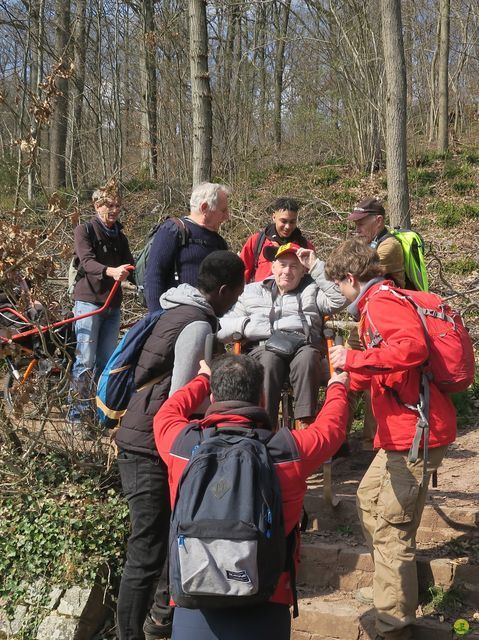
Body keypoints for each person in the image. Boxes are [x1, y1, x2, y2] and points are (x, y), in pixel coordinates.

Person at [153, 352, 349, 640]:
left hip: (193, 599)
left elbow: (166, 412)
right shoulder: (287, 450)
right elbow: (332, 428)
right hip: (267, 599)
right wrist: (337, 385)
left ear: (213, 396)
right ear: (262, 397)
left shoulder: (182, 445)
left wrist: (201, 379)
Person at [326, 238, 456, 640]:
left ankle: (394, 625)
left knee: (391, 530)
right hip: (403, 431)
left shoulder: (381, 303)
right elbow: (392, 365)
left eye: (339, 286)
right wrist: (352, 377)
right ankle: (395, 583)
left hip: (415, 432)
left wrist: (353, 360)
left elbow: (411, 350)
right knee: (369, 499)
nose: (339, 295)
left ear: (351, 278)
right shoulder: (378, 303)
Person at [115, 251, 245, 640]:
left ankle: (159, 623)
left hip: (141, 434)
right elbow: (178, 400)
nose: (237, 301)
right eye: (236, 294)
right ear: (223, 290)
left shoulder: (177, 308)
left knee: (166, 538)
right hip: (149, 445)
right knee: (147, 548)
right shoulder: (196, 326)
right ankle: (130, 634)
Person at [218, 242, 346, 428]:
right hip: (263, 347)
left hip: (303, 343)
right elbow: (222, 327)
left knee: (308, 357)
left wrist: (316, 265)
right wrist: (246, 325)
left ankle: (306, 422)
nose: (287, 271)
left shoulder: (312, 289)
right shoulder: (251, 291)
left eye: (294, 266)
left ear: (303, 270)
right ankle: (265, 424)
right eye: (283, 265)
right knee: (269, 360)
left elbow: (340, 298)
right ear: (273, 267)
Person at [68, 184, 134, 424]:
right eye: (109, 205)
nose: (114, 210)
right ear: (97, 206)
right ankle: (77, 416)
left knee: (106, 362)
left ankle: (98, 415)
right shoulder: (84, 230)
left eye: (117, 205)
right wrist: (110, 271)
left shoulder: (120, 236)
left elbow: (130, 264)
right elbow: (86, 262)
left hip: (112, 305)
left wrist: (132, 277)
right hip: (88, 303)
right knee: (85, 361)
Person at [347, 197, 407, 449]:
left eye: (362, 222)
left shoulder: (389, 246)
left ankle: (374, 441)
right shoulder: (368, 244)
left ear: (379, 220)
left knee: (377, 378)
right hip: (364, 319)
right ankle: (338, 437)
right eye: (356, 222)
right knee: (347, 374)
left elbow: (361, 273)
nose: (357, 228)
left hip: (386, 323)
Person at [144, 182, 230, 312]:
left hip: (212, 320)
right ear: (204, 208)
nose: (227, 216)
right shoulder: (172, 231)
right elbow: (154, 276)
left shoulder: (219, 243)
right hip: (177, 319)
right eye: (223, 210)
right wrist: (157, 319)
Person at [239, 197, 314, 283]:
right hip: (261, 294)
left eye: (292, 222)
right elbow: (241, 273)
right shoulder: (256, 241)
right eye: (283, 221)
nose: (288, 227)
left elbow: (312, 278)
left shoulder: (305, 247)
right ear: (274, 217)